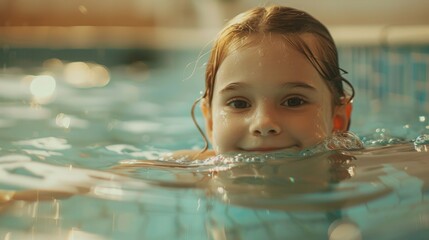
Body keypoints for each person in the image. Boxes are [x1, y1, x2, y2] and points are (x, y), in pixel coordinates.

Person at [172, 5, 355, 160]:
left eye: (294, 101)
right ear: (210, 122)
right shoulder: (188, 176)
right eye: (239, 103)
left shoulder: (359, 173)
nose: (264, 124)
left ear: (338, 120)